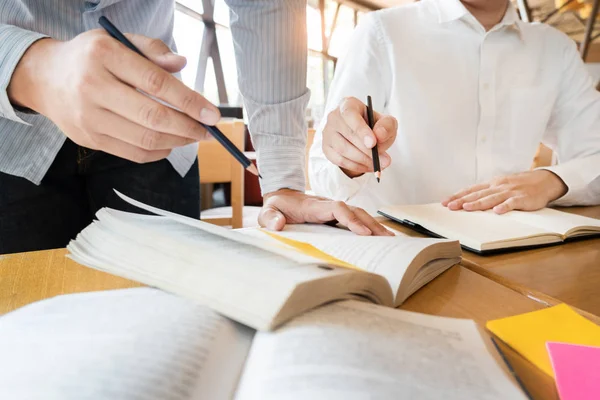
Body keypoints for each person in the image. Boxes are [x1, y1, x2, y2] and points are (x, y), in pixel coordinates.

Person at [0, 1, 392, 254]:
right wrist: (28, 68)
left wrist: (283, 181)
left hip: (157, 143)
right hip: (9, 141)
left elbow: (264, 8)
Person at [309, 0, 600, 215]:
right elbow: (325, 177)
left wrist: (553, 180)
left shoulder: (555, 50)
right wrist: (347, 161)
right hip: (396, 249)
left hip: (509, 251)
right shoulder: (383, 31)